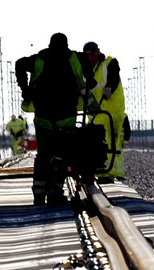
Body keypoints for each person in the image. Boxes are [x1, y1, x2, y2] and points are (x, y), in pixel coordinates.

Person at [16, 33, 91, 206]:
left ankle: (39, 193)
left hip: (44, 116)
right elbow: (87, 63)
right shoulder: (73, 57)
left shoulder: (40, 58)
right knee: (61, 155)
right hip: (66, 116)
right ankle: (55, 191)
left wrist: (25, 88)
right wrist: (90, 78)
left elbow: (20, 63)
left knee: (44, 155)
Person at [81, 41, 126, 182]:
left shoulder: (110, 62)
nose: (91, 58)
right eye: (88, 56)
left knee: (113, 142)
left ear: (98, 52)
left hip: (114, 110)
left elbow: (114, 76)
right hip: (97, 113)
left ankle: (111, 173)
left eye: (93, 55)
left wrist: (109, 88)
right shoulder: (83, 70)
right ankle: (104, 173)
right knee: (100, 141)